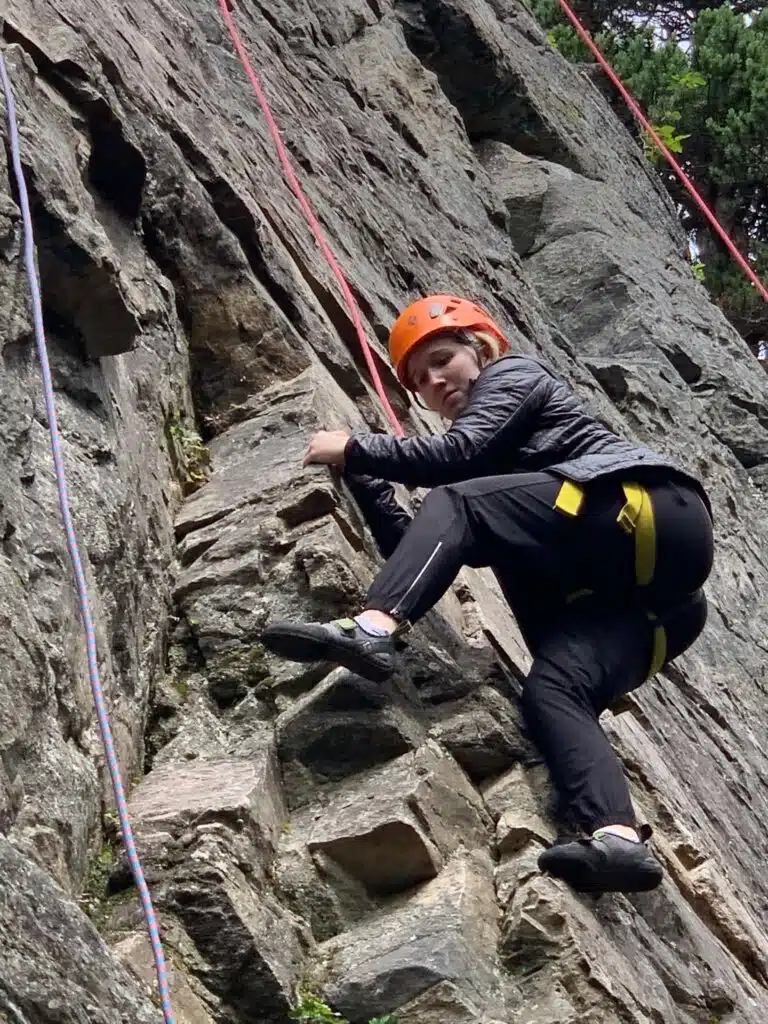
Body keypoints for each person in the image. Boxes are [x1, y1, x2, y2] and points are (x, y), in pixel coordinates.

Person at [262, 294, 714, 894]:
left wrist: (352, 447)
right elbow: (430, 547)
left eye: (444, 358)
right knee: (555, 690)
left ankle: (371, 630)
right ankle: (617, 840)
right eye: (421, 379)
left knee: (456, 500)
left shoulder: (515, 377)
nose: (435, 380)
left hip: (644, 508)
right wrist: (367, 483)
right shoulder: (502, 495)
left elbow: (456, 461)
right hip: (655, 608)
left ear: (481, 349)